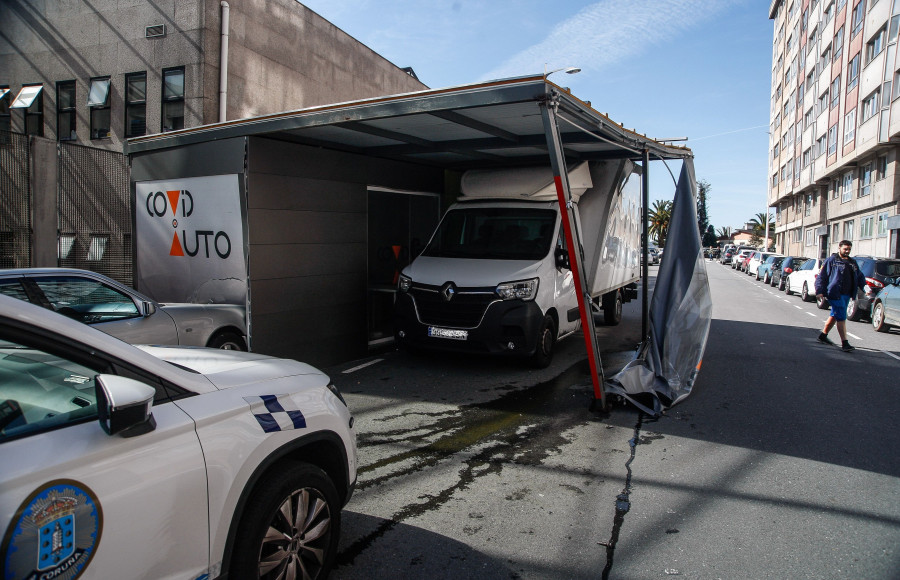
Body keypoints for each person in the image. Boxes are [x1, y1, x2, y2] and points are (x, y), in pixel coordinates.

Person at [814, 240, 868, 352]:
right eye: (845, 249)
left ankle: (822, 336)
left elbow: (860, 277)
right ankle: (845, 343)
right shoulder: (831, 261)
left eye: (849, 249)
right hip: (834, 293)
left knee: (835, 315)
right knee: (841, 316)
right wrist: (819, 290)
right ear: (839, 248)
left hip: (847, 294)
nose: (847, 251)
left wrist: (866, 288)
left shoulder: (852, 262)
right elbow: (822, 277)